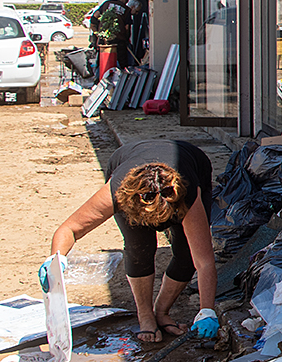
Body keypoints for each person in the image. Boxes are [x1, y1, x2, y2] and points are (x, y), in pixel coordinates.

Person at [48, 139, 220, 343]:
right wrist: (55, 261)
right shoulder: (118, 191)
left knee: (186, 254)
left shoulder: (187, 194)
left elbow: (204, 261)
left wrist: (206, 310)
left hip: (192, 164)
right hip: (130, 167)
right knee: (140, 248)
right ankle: (145, 315)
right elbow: (69, 229)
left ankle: (161, 312)